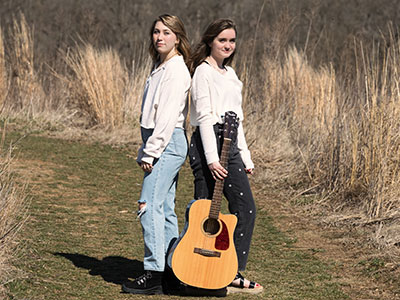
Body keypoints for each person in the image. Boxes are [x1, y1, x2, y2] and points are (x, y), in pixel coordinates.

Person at [189, 18, 263, 294]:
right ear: (210, 41)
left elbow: (237, 120)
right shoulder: (203, 72)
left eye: (232, 40)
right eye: (222, 40)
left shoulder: (232, 76)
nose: (228, 45)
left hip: (230, 143)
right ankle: (195, 269)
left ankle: (231, 271)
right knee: (204, 210)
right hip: (208, 142)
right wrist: (211, 158)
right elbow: (205, 118)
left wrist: (245, 157)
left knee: (246, 210)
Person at [122, 14, 191, 295]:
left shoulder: (176, 70)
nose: (159, 37)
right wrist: (147, 145)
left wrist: (150, 152)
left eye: (166, 32)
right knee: (162, 209)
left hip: (166, 142)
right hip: (160, 141)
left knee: (147, 205)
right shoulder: (160, 66)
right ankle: (172, 271)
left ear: (178, 37)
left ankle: (153, 272)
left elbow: (165, 118)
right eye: (156, 32)